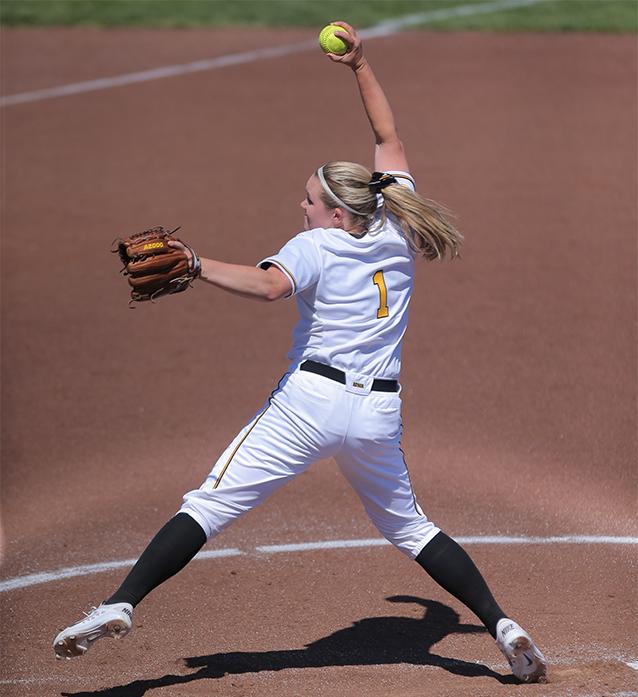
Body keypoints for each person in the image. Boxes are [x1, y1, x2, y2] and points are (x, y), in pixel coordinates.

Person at [53, 21, 547, 684]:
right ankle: (503, 625)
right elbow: (388, 137)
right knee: (412, 528)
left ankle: (119, 602)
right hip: (376, 416)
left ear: (336, 213)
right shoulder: (395, 216)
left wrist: (196, 262)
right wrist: (361, 65)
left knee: (208, 503)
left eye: (309, 199)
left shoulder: (313, 246)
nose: (302, 206)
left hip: (309, 405)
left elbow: (265, 288)